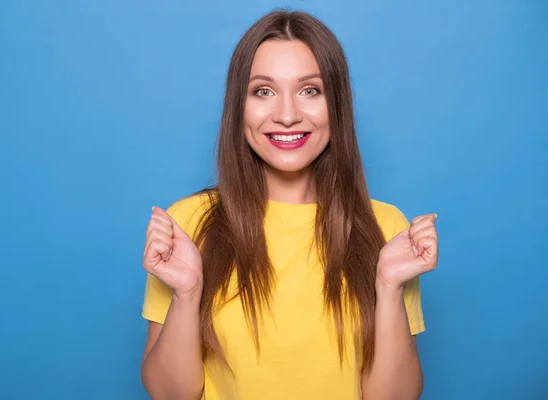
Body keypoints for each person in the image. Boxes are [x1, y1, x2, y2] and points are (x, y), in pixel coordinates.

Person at [139, 10, 438, 400]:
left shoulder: (385, 227)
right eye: (263, 91)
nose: (286, 115)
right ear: (238, 106)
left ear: (337, 105)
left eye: (310, 90)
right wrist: (187, 293)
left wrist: (389, 286)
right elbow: (170, 395)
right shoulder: (189, 223)